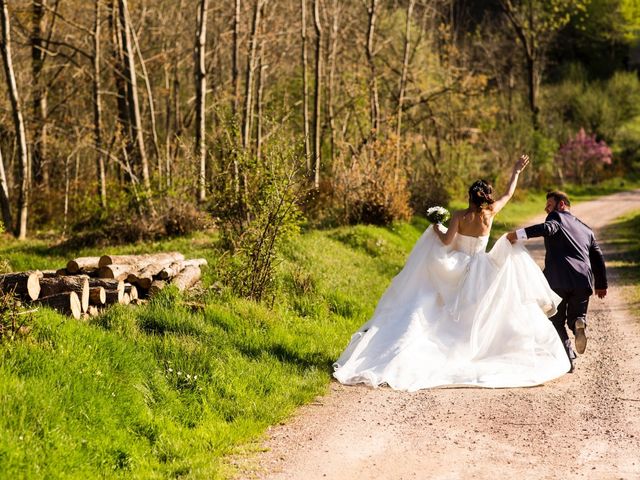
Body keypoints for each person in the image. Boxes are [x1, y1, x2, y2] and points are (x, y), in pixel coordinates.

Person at [333, 155, 571, 391]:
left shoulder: (459, 216)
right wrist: (516, 172)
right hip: (482, 266)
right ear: (487, 197)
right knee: (479, 309)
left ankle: (448, 345)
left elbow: (447, 241)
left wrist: (436, 225)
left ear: (469, 197)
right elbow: (508, 194)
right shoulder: (490, 215)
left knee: (444, 306)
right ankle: (477, 348)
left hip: (458, 265)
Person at [506, 191, 607, 372]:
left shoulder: (556, 218)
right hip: (582, 282)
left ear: (561, 205)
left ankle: (568, 357)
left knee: (556, 321)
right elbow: (597, 256)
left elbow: (548, 228)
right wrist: (601, 284)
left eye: (549, 205)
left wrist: (517, 234)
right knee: (575, 317)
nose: (546, 208)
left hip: (558, 281)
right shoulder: (586, 229)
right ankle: (578, 322)